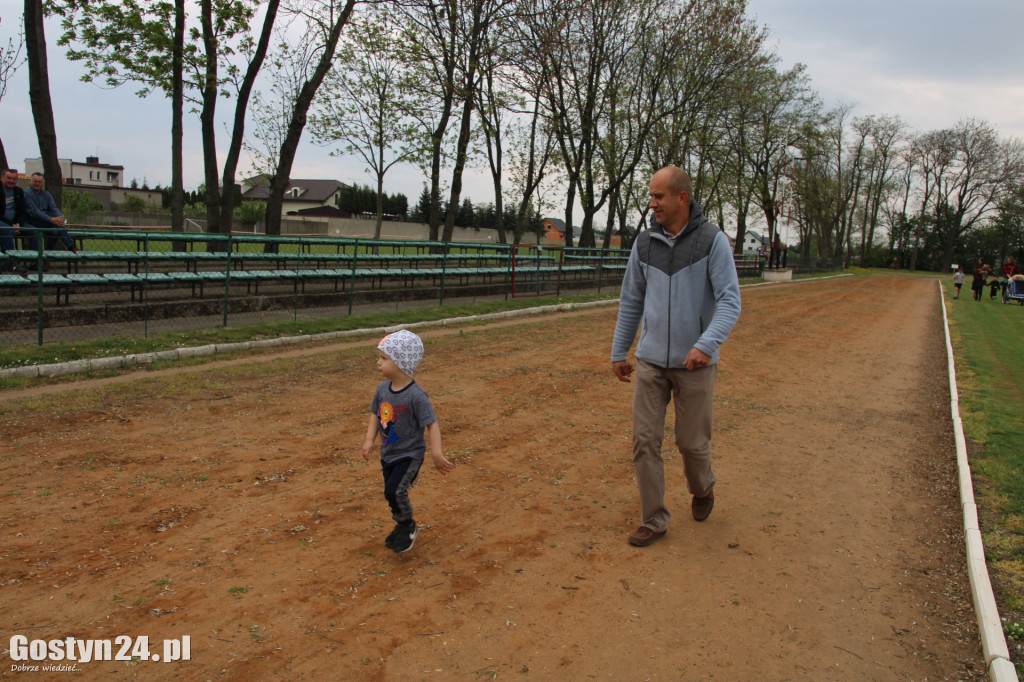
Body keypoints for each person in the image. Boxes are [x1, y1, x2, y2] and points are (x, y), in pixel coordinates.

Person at [611, 166, 742, 547]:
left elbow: (730, 302)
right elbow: (631, 299)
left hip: (694, 363)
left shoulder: (712, 241)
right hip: (651, 361)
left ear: (681, 198)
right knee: (644, 441)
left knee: (691, 443)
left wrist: (706, 344)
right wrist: (621, 350)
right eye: (651, 196)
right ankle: (654, 519)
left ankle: (703, 488)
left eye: (659, 197)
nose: (652, 204)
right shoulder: (644, 243)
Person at [361, 329, 454, 553]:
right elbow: (375, 413)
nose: (378, 363)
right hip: (389, 453)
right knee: (389, 492)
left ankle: (407, 525)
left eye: (384, 359)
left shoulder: (416, 396)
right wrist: (369, 440)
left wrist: (436, 453)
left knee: (396, 491)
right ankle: (401, 523)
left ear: (402, 362)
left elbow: (432, 423)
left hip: (410, 455)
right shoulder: (382, 389)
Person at [23, 172, 76, 252]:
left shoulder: (46, 194)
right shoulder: (26, 194)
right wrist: (51, 219)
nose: (37, 183)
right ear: (30, 181)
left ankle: (48, 254)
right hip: (31, 220)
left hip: (44, 221)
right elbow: (34, 211)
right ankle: (72, 247)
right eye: (35, 181)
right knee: (54, 226)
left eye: (39, 182)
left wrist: (60, 218)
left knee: (55, 231)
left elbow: (53, 208)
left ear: (43, 183)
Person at [0, 168, 33, 274]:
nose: (11, 181)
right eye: (8, 178)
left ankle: (34, 262)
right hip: (3, 222)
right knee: (7, 231)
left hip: (15, 223)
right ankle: (10, 264)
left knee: (34, 231)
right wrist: (12, 225)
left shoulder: (18, 191)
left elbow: (22, 211)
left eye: (14, 179)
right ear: (2, 178)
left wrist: (18, 223)